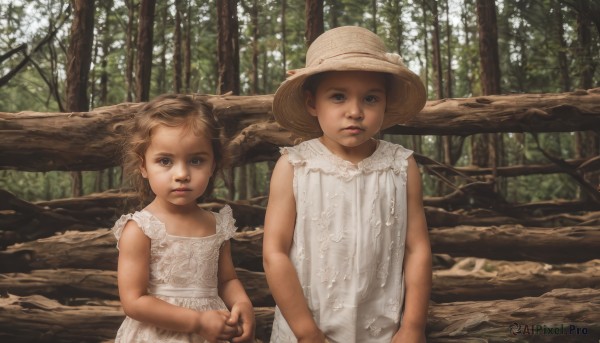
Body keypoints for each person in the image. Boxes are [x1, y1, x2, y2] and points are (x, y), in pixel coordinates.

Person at [263, 26, 432, 343]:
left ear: (385, 103)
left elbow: (417, 248)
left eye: (370, 98)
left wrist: (413, 326)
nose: (355, 112)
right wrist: (305, 332)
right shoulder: (295, 165)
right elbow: (275, 253)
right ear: (313, 103)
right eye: (338, 96)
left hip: (384, 329)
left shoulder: (400, 165)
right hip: (309, 328)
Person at [112, 94, 255, 343]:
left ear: (213, 165)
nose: (181, 174)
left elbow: (227, 279)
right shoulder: (141, 229)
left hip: (213, 330)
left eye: (196, 160)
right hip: (159, 334)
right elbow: (133, 301)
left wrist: (242, 302)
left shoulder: (217, 225)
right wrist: (197, 321)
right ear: (143, 166)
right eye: (165, 161)